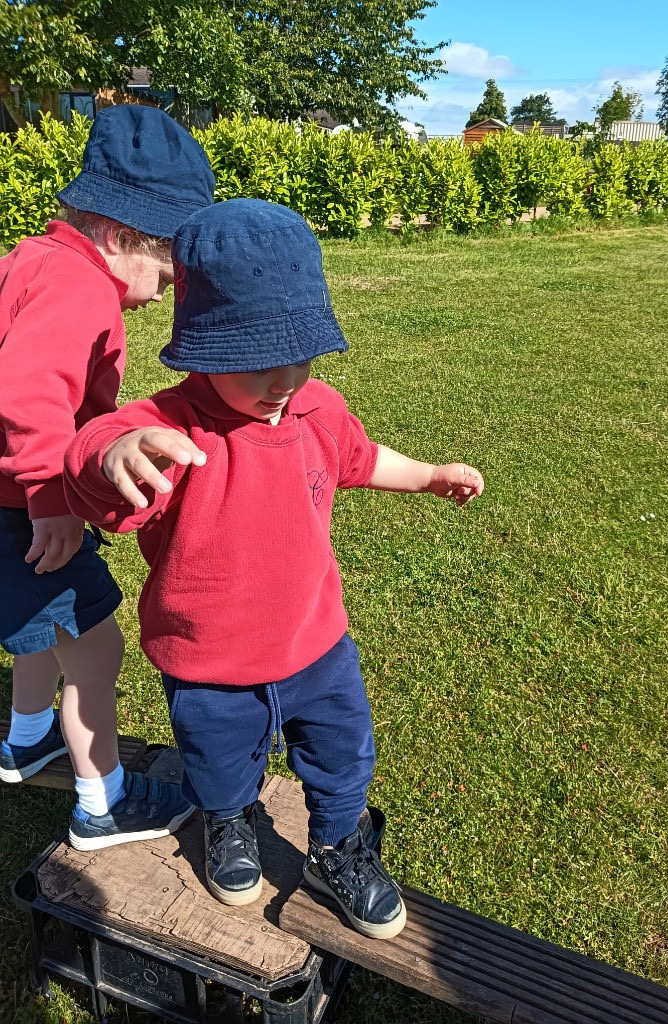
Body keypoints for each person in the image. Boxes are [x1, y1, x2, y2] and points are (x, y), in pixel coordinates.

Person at [63, 198, 484, 938]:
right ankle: (228, 820)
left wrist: (426, 474)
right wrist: (109, 457)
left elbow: (357, 458)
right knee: (218, 764)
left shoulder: (316, 408)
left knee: (343, 754)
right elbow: (98, 454)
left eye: (303, 354)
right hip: (208, 658)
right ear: (202, 349)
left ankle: (337, 847)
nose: (286, 377)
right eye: (259, 360)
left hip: (315, 642)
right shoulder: (166, 428)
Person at [0, 104, 215, 852]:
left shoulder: (32, 258)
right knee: (94, 651)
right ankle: (103, 806)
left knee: (42, 634)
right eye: (162, 272)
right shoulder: (78, 288)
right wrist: (52, 497)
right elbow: (26, 397)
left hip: (9, 503)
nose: (161, 294)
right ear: (120, 238)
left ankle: (28, 742)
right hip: (22, 504)